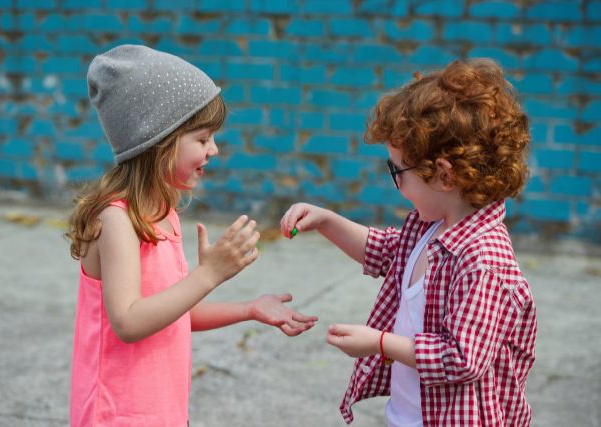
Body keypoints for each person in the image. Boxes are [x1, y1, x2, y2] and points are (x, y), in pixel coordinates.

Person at [65, 44, 317, 427]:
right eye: (202, 139)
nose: (214, 149)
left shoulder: (163, 214)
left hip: (162, 411)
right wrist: (210, 273)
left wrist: (250, 308)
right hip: (118, 414)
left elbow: (174, 311)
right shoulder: (117, 220)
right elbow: (129, 322)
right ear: (158, 141)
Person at [280, 58, 537, 426]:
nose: (396, 182)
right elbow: (384, 251)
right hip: (412, 414)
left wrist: (380, 343)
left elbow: (463, 358)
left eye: (396, 170)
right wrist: (327, 221)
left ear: (444, 176)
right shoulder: (430, 226)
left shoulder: (484, 261)